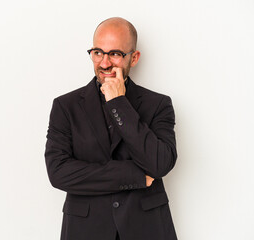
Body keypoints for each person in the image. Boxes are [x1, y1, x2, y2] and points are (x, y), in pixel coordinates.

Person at [45, 17, 177, 240]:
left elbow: (159, 164)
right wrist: (133, 175)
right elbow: (59, 173)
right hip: (86, 230)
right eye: (98, 52)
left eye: (115, 54)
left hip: (147, 228)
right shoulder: (65, 106)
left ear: (133, 58)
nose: (104, 63)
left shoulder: (158, 105)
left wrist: (118, 104)